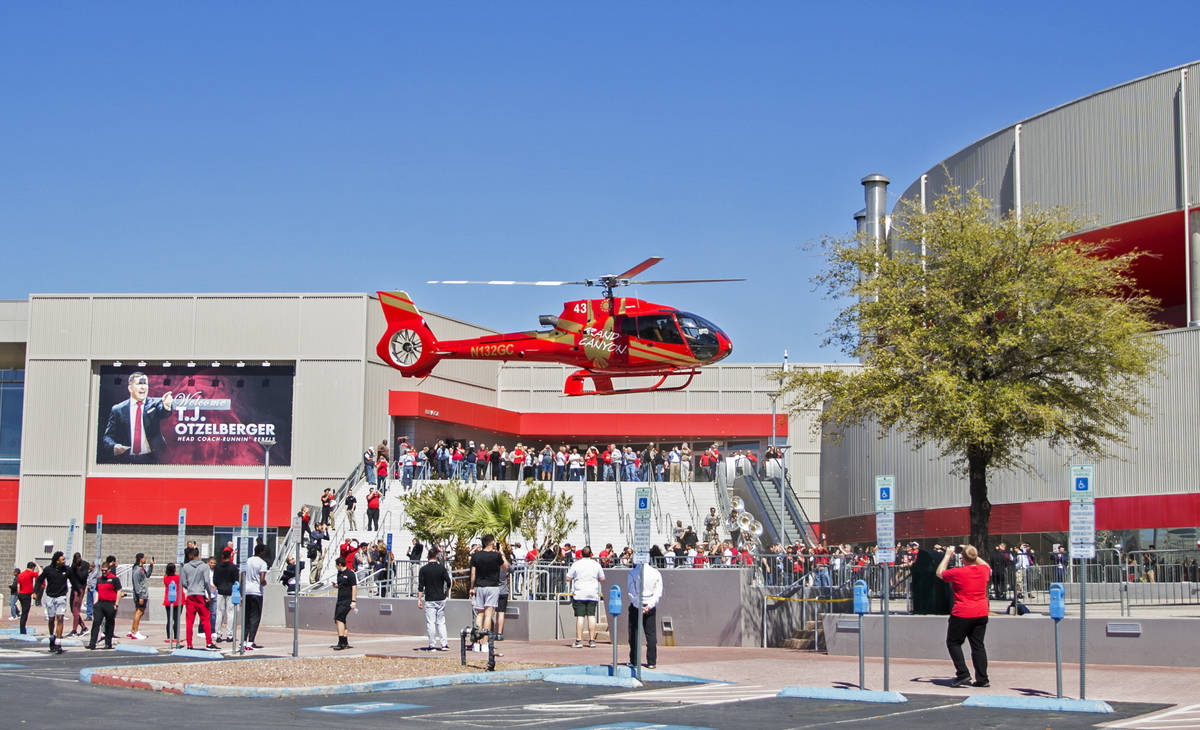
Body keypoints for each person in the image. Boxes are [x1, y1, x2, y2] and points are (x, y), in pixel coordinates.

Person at [936, 544, 991, 688]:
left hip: (963, 612)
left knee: (953, 642)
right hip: (981, 611)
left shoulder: (959, 572)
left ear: (963, 558)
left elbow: (940, 573)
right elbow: (986, 565)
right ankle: (983, 678)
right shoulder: (983, 570)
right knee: (978, 645)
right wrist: (971, 552)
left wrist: (947, 555)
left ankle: (962, 673)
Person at [100, 371, 175, 463]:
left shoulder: (155, 403)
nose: (143, 387)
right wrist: (115, 447)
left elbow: (164, 412)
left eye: (145, 384)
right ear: (130, 388)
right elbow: (108, 437)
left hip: (153, 459)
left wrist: (167, 405)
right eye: (139, 384)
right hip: (127, 460)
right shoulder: (118, 409)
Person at [468, 533, 508, 653]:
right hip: (492, 587)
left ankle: (476, 643)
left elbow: (473, 574)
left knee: (479, 614)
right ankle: (485, 643)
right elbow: (505, 567)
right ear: (492, 542)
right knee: (488, 614)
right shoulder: (496, 556)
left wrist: (471, 587)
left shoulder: (476, 555)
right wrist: (501, 553)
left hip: (480, 586)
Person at [566, 546, 605, 648]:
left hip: (579, 593)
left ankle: (579, 640)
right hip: (592, 593)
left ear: (581, 554)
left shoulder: (576, 564)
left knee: (580, 617)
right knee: (591, 616)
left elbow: (568, 578)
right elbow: (602, 578)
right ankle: (592, 640)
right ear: (591, 554)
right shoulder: (596, 565)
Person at [627, 560, 663, 670]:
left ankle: (634, 661)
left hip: (637, 605)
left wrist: (638, 604)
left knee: (634, 634)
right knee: (651, 634)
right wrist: (650, 605)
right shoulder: (655, 572)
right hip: (650, 604)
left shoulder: (633, 573)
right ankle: (651, 661)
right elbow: (658, 592)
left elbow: (631, 592)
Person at [180, 546, 218, 651]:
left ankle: (189, 644)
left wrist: (189, 587)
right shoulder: (204, 566)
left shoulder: (186, 567)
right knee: (206, 619)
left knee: (189, 621)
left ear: (190, 555)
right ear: (198, 555)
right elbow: (207, 581)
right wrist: (209, 595)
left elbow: (183, 582)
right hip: (200, 594)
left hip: (191, 595)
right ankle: (209, 643)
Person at [35, 551, 70, 653]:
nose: (64, 561)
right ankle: (52, 638)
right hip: (50, 597)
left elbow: (74, 579)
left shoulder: (66, 570)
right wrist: (35, 592)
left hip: (61, 597)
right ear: (57, 560)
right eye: (62, 559)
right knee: (51, 619)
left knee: (60, 618)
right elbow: (39, 580)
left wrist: (78, 589)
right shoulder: (48, 570)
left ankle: (58, 643)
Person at [417, 546, 451, 651]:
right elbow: (448, 581)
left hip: (429, 598)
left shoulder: (423, 569)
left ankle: (432, 645)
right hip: (440, 598)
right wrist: (446, 592)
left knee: (430, 622)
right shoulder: (441, 568)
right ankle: (444, 644)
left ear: (428, 556)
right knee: (441, 622)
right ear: (437, 555)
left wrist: (419, 599)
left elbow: (421, 586)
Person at [86, 556, 123, 650]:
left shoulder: (114, 579)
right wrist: (95, 602)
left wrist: (116, 604)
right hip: (100, 604)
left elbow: (119, 591)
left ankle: (108, 643)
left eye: (105, 570)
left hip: (110, 604)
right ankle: (92, 643)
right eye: (102, 570)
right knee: (96, 623)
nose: (104, 572)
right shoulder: (99, 579)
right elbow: (97, 591)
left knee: (109, 624)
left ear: (109, 570)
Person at [242, 543, 268, 651]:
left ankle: (243, 641)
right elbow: (262, 579)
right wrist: (264, 583)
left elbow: (241, 575)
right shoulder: (262, 563)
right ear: (261, 551)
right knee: (255, 617)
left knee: (246, 616)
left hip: (246, 591)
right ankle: (251, 641)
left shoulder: (247, 561)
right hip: (256, 592)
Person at [212, 550, 238, 642]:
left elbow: (214, 580)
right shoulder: (233, 567)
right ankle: (229, 635)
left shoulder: (217, 566)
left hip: (220, 590)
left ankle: (218, 634)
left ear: (222, 556)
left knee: (219, 613)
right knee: (230, 613)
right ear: (230, 556)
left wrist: (219, 586)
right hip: (230, 591)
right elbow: (236, 580)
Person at [332, 556, 357, 650]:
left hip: (347, 600)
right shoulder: (339, 574)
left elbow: (354, 587)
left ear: (339, 564)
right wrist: (336, 586)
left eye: (336, 565)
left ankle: (341, 641)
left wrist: (353, 601)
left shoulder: (350, 573)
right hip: (340, 599)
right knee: (341, 620)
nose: (336, 567)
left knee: (339, 619)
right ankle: (345, 642)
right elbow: (342, 585)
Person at [127, 552, 154, 640]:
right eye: (144, 558)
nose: (145, 559)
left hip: (143, 593)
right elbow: (136, 584)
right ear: (141, 559)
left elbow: (147, 575)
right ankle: (135, 631)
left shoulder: (141, 568)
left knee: (139, 612)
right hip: (140, 594)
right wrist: (140, 596)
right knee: (139, 612)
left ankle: (133, 630)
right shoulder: (137, 570)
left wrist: (151, 566)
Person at [67, 554, 88, 636]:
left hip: (80, 588)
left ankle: (74, 630)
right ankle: (83, 627)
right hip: (74, 588)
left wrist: (76, 569)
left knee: (76, 609)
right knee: (73, 609)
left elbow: (82, 577)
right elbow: (71, 576)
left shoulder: (85, 565)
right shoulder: (73, 565)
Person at [162, 563, 183, 646]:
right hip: (178, 600)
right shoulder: (178, 578)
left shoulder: (165, 578)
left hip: (168, 600)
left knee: (169, 619)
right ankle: (176, 636)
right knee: (177, 619)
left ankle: (168, 637)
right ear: (174, 569)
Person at [16, 561, 37, 634]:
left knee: (23, 612)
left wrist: (18, 594)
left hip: (21, 594)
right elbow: (40, 573)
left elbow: (18, 585)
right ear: (33, 567)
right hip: (26, 595)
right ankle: (22, 630)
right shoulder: (30, 573)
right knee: (25, 613)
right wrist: (38, 565)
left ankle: (22, 629)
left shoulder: (20, 574)